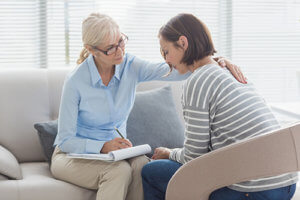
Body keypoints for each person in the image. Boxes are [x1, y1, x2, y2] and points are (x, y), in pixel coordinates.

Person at [50, 12, 246, 200]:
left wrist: (216, 60)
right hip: (71, 157)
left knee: (142, 165)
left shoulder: (130, 66)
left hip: (115, 155)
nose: (120, 51)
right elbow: (65, 140)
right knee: (118, 172)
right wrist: (102, 146)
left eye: (121, 41)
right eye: (111, 48)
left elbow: (178, 68)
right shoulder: (76, 81)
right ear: (92, 50)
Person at [141, 13, 298, 200]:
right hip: (287, 182)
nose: (166, 60)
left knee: (150, 172)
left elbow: (193, 157)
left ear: (183, 43)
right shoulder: (230, 71)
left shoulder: (197, 81)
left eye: (166, 51)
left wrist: (169, 153)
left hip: (254, 189)